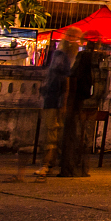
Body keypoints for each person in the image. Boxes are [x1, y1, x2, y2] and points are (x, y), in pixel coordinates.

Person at [55, 35, 105, 178]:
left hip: (81, 100)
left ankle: (72, 168)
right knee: (79, 137)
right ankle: (75, 168)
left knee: (75, 136)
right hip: (84, 100)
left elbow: (76, 78)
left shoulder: (85, 60)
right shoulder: (91, 60)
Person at [36, 30, 83, 176]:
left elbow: (65, 80)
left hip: (56, 99)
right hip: (55, 98)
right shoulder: (63, 56)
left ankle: (47, 165)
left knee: (52, 133)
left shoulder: (66, 56)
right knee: (54, 133)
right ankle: (49, 164)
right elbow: (64, 79)